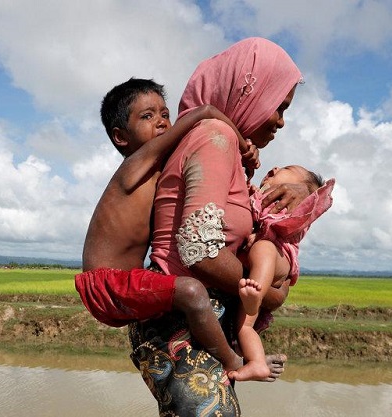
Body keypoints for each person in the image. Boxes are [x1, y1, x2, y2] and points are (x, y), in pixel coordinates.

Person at [129, 37, 310, 416]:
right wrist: (266, 290)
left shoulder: (222, 143)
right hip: (184, 323)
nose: (280, 120)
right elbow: (199, 250)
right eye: (278, 106)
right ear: (250, 93)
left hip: (188, 322)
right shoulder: (215, 138)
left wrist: (296, 192)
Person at [75, 78, 260, 372]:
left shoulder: (160, 170)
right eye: (147, 116)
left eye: (164, 114)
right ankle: (233, 361)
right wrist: (241, 143)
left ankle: (237, 342)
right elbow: (205, 111)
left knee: (195, 295)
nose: (162, 123)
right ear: (121, 137)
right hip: (107, 285)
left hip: (126, 281)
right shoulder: (133, 166)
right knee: (191, 291)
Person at [229, 165, 335, 381]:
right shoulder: (258, 195)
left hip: (278, 257)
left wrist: (307, 193)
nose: (275, 168)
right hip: (257, 267)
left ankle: (255, 296)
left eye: (286, 168)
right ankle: (257, 362)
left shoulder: (295, 205)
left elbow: (320, 199)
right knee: (244, 326)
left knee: (263, 248)